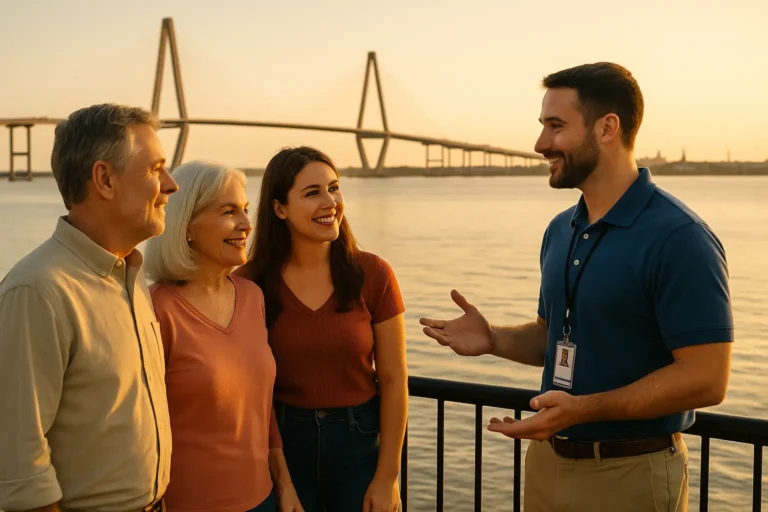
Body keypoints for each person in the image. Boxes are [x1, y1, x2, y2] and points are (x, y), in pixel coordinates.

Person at [420, 63, 733, 512]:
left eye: (556, 126)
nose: (540, 143)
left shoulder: (679, 237)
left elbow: (707, 378)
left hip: (631, 473)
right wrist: (493, 339)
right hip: (548, 464)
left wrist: (586, 408)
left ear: (607, 128)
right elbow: (554, 335)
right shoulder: (560, 229)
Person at [0, 104, 178, 511]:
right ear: (104, 179)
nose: (171, 185)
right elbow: (19, 466)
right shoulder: (38, 291)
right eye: (155, 169)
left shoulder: (132, 277)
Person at [236, 146, 408, 512]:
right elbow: (249, 389)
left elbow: (394, 380)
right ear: (279, 208)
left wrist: (387, 478)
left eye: (334, 188)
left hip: (359, 445)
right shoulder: (249, 283)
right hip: (282, 446)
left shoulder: (374, 274)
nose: (330, 201)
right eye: (312, 193)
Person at [144, 160, 304, 512]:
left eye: (246, 210)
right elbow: (138, 429)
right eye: (229, 211)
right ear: (186, 225)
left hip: (264, 499)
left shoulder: (252, 296)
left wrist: (285, 485)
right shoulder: (156, 310)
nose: (246, 224)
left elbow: (263, 409)